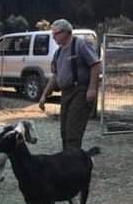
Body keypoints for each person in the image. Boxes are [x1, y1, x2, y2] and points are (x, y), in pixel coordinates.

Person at [38, 19, 102, 149]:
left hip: (80, 91)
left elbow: (96, 64)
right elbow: (55, 76)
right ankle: (67, 159)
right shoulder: (58, 53)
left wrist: (92, 89)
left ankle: (73, 163)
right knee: (64, 132)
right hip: (65, 93)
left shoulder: (81, 44)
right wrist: (44, 95)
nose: (53, 37)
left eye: (55, 33)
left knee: (73, 131)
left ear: (65, 32)